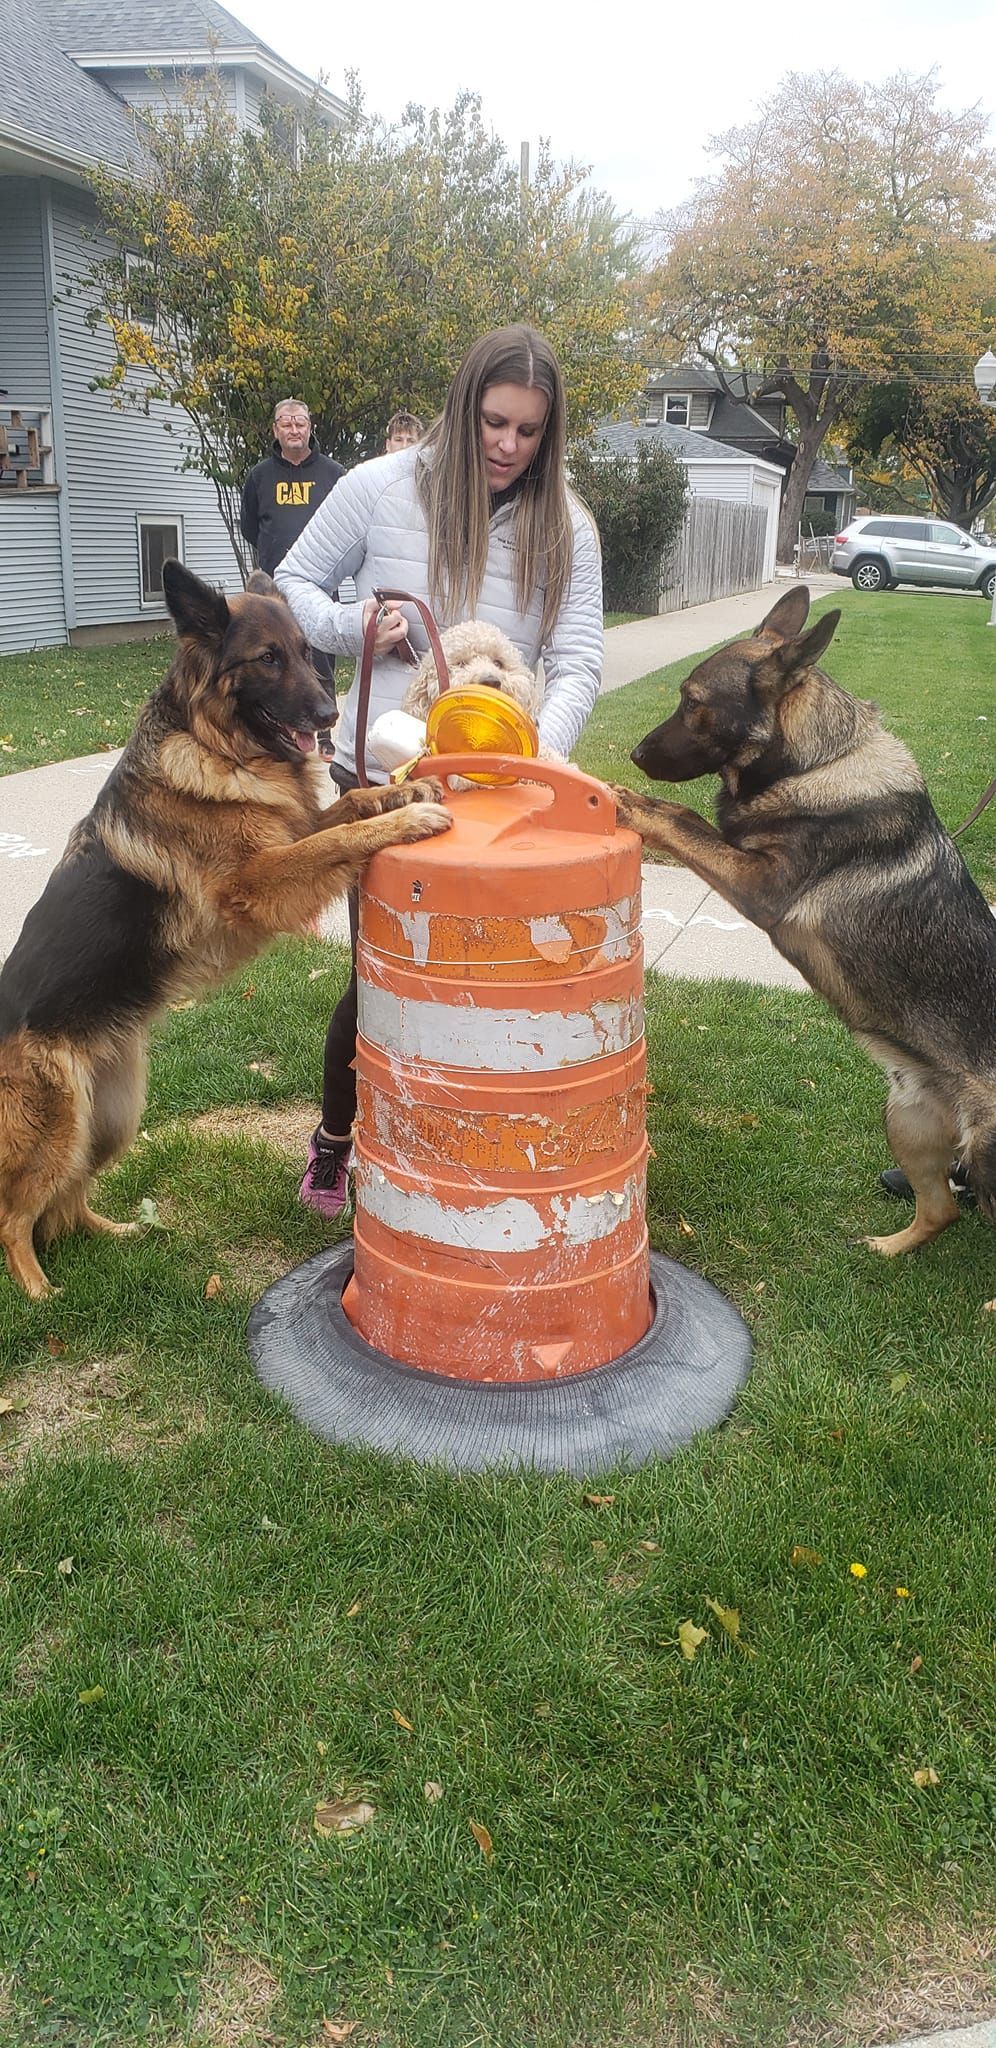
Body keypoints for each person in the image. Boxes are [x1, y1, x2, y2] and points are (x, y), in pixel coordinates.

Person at [276, 323, 603, 1218]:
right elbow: (293, 578)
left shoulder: (566, 522)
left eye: (530, 432)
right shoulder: (379, 487)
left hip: (507, 798)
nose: (508, 446)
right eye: (495, 422)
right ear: (465, 408)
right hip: (380, 781)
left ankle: (471, 1142)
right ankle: (337, 1141)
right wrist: (352, 627)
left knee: (496, 977)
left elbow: (577, 659)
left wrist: (533, 744)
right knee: (381, 971)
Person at [240, 399, 345, 723]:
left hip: (320, 587)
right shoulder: (260, 476)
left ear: (310, 427)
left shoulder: (333, 474)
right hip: (273, 594)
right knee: (275, 663)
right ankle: (281, 724)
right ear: (275, 429)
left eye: (300, 422)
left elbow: (346, 526)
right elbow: (249, 527)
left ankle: (324, 730)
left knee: (319, 658)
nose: (294, 429)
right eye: (286, 423)